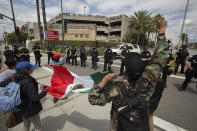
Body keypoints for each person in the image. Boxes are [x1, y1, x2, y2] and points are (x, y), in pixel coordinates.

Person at [88, 20, 169, 131]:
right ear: (143, 68)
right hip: (141, 125)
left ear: (125, 69)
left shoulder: (116, 88)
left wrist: (104, 81)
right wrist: (162, 31)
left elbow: (93, 98)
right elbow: (161, 56)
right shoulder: (148, 80)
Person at [0, 61, 47, 131]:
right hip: (31, 109)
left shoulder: (14, 77)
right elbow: (34, 98)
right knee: (38, 126)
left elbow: (1, 84)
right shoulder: (28, 82)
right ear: (25, 70)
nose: (33, 69)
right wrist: (45, 91)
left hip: (20, 108)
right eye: (31, 68)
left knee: (26, 125)